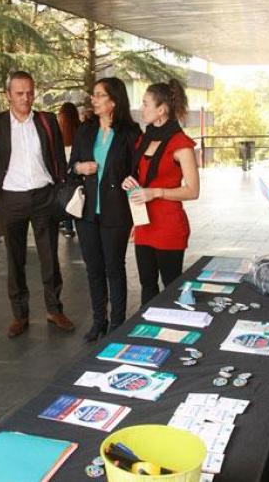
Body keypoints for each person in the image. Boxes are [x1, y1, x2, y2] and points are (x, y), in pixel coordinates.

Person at [0, 71, 75, 338]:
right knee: (15, 258)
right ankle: (20, 315)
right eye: (20, 93)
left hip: (44, 197)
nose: (26, 98)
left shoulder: (46, 121)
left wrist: (58, 190)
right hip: (11, 199)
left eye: (30, 92)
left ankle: (54, 309)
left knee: (50, 257)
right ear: (8, 95)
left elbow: (58, 157)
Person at [69, 78, 141, 341]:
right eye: (94, 94)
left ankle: (118, 324)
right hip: (87, 213)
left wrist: (131, 179)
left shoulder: (131, 133)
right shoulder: (85, 129)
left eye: (99, 95)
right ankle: (99, 321)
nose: (93, 99)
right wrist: (80, 168)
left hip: (117, 212)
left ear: (113, 100)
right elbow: (71, 165)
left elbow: (138, 171)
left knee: (114, 267)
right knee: (93, 268)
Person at [121, 79, 200, 305]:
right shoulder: (145, 139)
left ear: (161, 110)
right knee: (147, 285)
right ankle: (148, 334)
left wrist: (155, 193)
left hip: (168, 225)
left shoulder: (181, 143)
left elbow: (193, 191)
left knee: (172, 287)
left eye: (145, 104)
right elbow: (143, 179)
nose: (141, 108)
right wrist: (132, 183)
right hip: (145, 223)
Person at [57, 102, 81, 238]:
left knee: (67, 196)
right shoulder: (82, 130)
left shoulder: (59, 133)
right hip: (76, 170)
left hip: (66, 171)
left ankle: (68, 226)